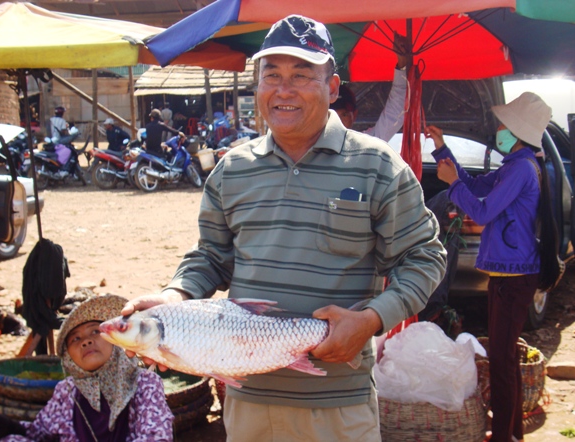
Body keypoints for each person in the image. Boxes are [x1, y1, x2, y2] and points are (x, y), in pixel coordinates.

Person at [123, 15, 446, 442]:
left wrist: (370, 320)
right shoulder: (232, 170)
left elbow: (424, 257)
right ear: (257, 86)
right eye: (271, 75)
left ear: (332, 87)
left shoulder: (378, 166)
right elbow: (211, 258)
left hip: (337, 406)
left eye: (301, 75)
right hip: (248, 404)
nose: (283, 90)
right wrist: (172, 298)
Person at [428, 91, 561, 442]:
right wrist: (441, 149)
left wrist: (452, 182)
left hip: (514, 277)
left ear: (516, 133)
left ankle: (503, 436)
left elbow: (482, 211)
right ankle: (511, 433)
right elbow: (473, 186)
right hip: (508, 274)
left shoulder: (520, 169)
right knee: (505, 359)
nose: (498, 130)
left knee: (502, 361)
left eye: (503, 126)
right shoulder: (515, 166)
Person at [0, 295, 174, 441]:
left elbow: (156, 435)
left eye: (95, 331)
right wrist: (11, 427)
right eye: (75, 339)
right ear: (69, 357)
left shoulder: (144, 383)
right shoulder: (67, 390)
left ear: (115, 339)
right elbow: (40, 432)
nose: (86, 341)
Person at [330, 32, 408, 141]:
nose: (338, 122)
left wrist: (402, 65)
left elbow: (395, 114)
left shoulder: (363, 144)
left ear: (354, 115)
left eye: (344, 115)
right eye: (332, 115)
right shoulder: (310, 145)